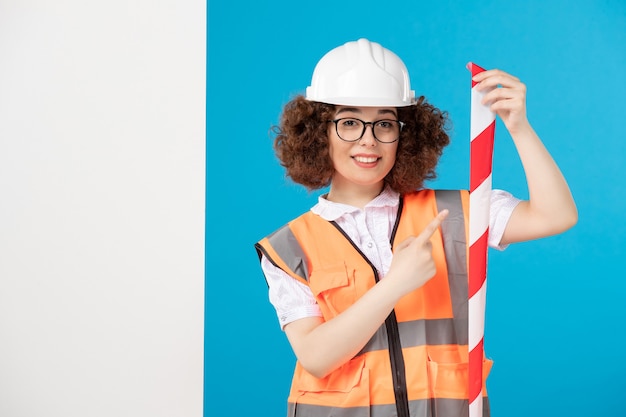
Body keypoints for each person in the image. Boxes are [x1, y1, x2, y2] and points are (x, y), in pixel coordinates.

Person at [254, 38, 577, 417]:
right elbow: (316, 357)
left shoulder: (455, 213)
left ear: (404, 135)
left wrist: (519, 127)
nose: (368, 140)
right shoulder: (288, 246)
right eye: (350, 122)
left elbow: (556, 215)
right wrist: (395, 283)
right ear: (318, 132)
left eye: (385, 124)